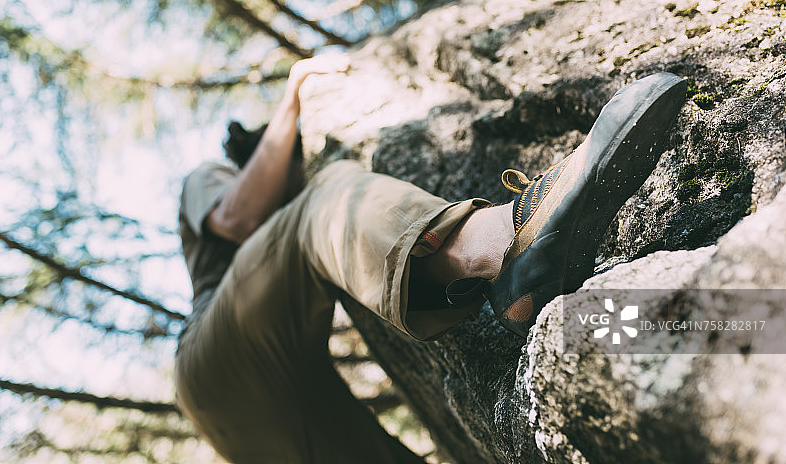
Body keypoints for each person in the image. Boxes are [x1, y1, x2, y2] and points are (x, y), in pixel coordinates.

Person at [175, 53, 687, 463]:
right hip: (215, 359)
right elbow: (237, 219)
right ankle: (504, 246)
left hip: (274, 405)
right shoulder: (206, 176)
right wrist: (293, 96)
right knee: (328, 194)